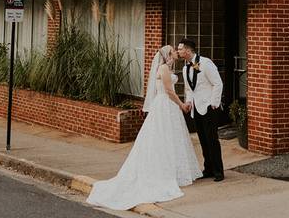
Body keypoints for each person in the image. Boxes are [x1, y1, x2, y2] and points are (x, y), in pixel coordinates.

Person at [86, 45, 202, 211]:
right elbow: (169, 90)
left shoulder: (168, 67)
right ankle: (165, 173)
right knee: (163, 138)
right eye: (173, 50)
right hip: (165, 105)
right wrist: (182, 104)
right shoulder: (163, 68)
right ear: (168, 54)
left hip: (168, 106)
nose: (176, 51)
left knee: (171, 139)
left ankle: (176, 171)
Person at [177, 37, 225, 182]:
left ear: (188, 50)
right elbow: (189, 89)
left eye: (180, 49)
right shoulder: (186, 68)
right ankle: (208, 169)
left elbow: (218, 83)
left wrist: (214, 102)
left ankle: (218, 171)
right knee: (203, 140)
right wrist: (189, 102)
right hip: (196, 108)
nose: (178, 51)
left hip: (209, 106)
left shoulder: (206, 63)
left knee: (212, 139)